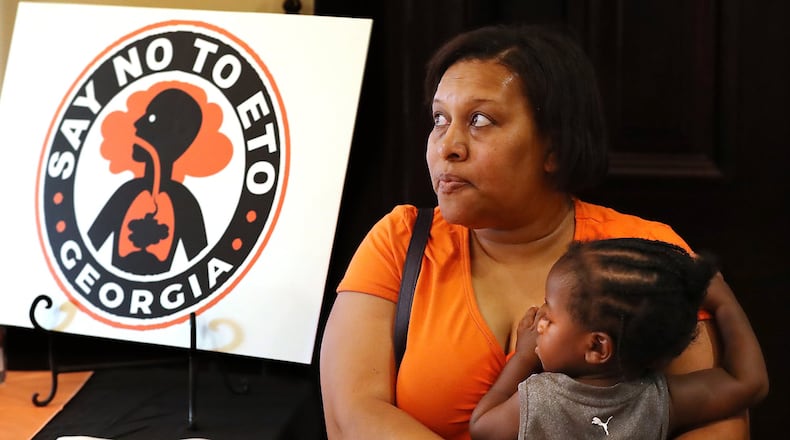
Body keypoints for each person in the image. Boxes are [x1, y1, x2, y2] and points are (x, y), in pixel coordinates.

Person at [319, 23, 751, 439]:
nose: (447, 145)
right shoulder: (400, 241)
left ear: (555, 147)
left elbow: (718, 423)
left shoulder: (644, 253)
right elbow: (353, 415)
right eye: (439, 118)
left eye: (480, 120)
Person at [469, 238, 768, 439]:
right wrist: (725, 302)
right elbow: (749, 383)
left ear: (596, 347)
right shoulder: (659, 402)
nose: (540, 320)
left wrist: (524, 357)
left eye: (550, 316)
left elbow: (480, 426)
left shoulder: (537, 401)